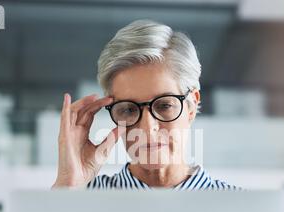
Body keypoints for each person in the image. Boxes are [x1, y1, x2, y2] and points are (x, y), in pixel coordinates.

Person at [52, 20, 238, 191]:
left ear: (191, 107)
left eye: (164, 105)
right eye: (128, 109)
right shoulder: (82, 196)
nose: (147, 128)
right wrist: (68, 185)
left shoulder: (237, 206)